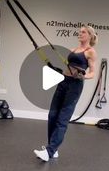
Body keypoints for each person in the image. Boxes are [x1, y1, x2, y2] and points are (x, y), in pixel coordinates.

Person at [33, 25, 97, 162]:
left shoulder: (90, 52)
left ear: (90, 36)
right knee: (52, 115)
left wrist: (83, 76)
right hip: (63, 81)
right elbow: (68, 67)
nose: (80, 34)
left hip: (75, 85)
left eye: (83, 32)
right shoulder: (74, 49)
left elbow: (92, 72)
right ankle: (53, 148)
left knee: (62, 119)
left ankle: (49, 151)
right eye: (79, 32)